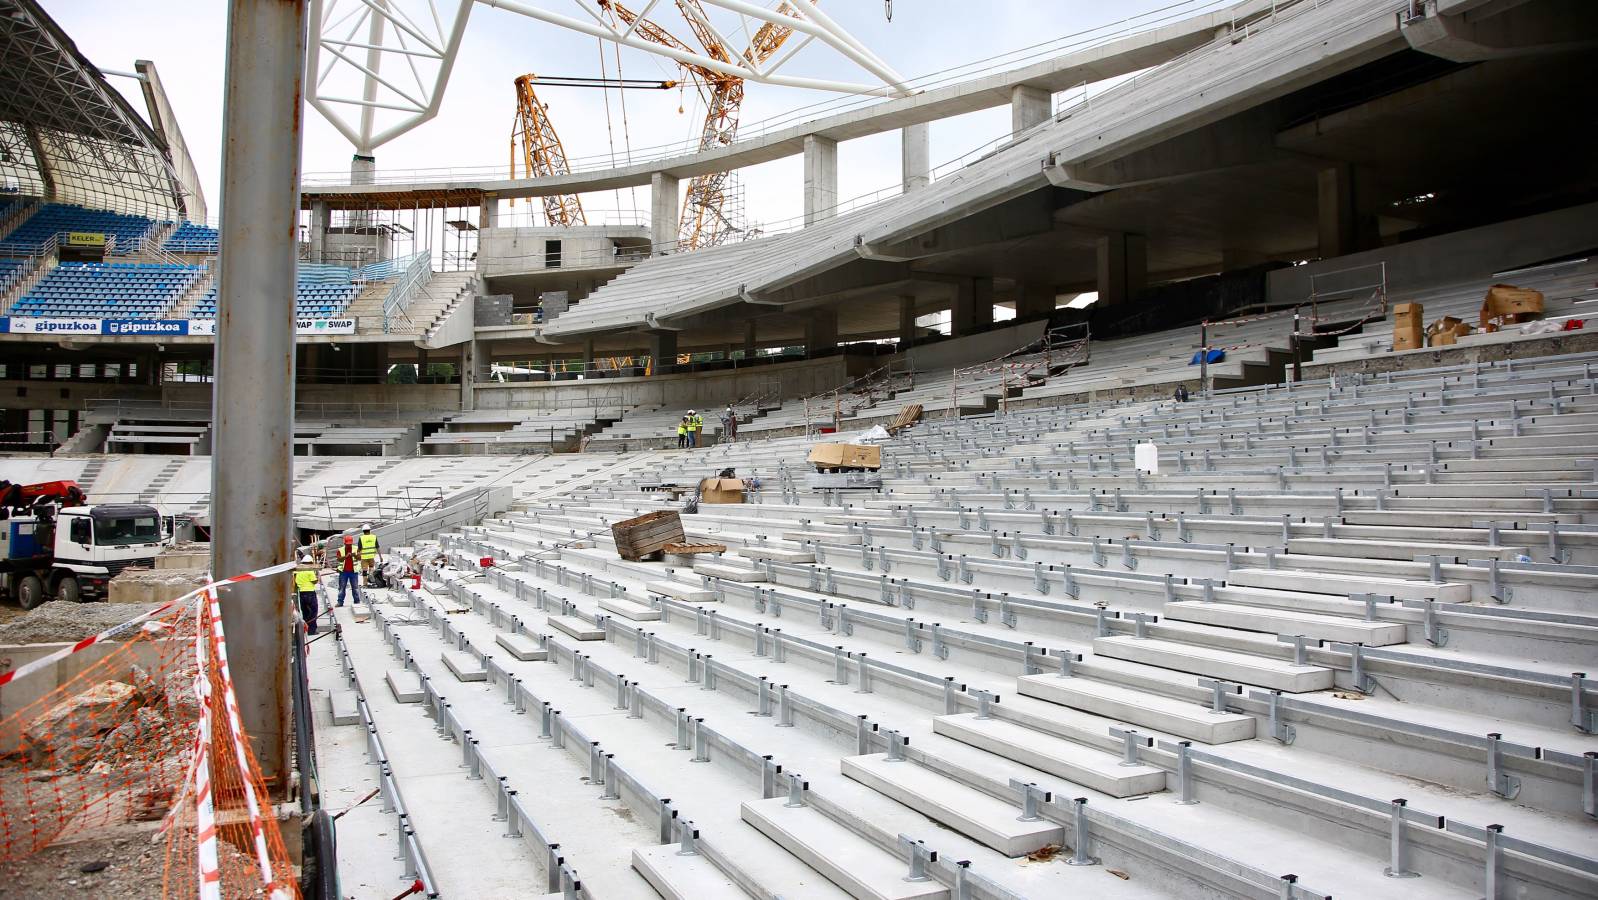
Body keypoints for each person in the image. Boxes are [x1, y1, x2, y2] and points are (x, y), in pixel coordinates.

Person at [294, 555, 321, 635]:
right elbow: (314, 581)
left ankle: (306, 629)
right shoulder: (309, 570)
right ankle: (312, 631)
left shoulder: (298, 570)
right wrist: (317, 578)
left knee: (305, 612)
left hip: (302, 594)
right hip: (310, 593)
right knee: (313, 612)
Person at [335, 535, 361, 606]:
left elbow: (359, 558)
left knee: (355, 588)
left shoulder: (356, 548)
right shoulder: (340, 550)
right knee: (342, 588)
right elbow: (339, 559)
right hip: (343, 572)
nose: (349, 545)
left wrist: (354, 555)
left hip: (353, 571)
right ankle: (340, 602)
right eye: (347, 544)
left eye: (350, 544)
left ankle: (357, 601)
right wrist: (345, 556)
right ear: (344, 543)